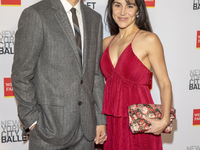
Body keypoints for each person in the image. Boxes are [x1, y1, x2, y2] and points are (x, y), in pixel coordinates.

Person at [11, 0, 107, 149]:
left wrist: (100, 119)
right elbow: (21, 75)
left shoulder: (94, 18)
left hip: (86, 132)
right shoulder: (36, 14)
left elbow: (95, 75)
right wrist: (32, 121)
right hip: (48, 130)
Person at [100, 0, 172, 149]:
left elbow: (164, 83)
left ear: (138, 11)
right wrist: (99, 122)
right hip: (112, 122)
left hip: (139, 122)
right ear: (111, 8)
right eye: (117, 5)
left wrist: (164, 120)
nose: (122, 12)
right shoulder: (105, 43)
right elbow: (101, 85)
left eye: (130, 6)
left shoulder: (149, 40)